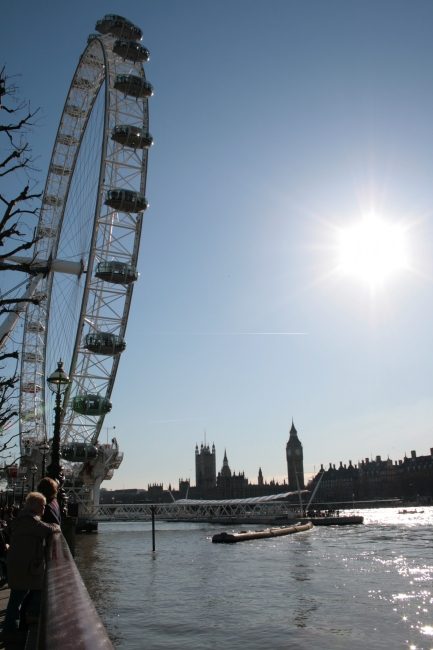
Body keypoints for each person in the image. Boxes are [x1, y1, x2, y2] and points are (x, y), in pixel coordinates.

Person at [1, 492, 60, 643]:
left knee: (18, 598)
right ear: (34, 506)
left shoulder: (25, 519)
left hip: (21, 566)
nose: (44, 508)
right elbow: (48, 529)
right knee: (18, 599)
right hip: (23, 568)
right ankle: (13, 631)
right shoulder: (29, 521)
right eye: (41, 505)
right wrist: (55, 526)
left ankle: (15, 628)